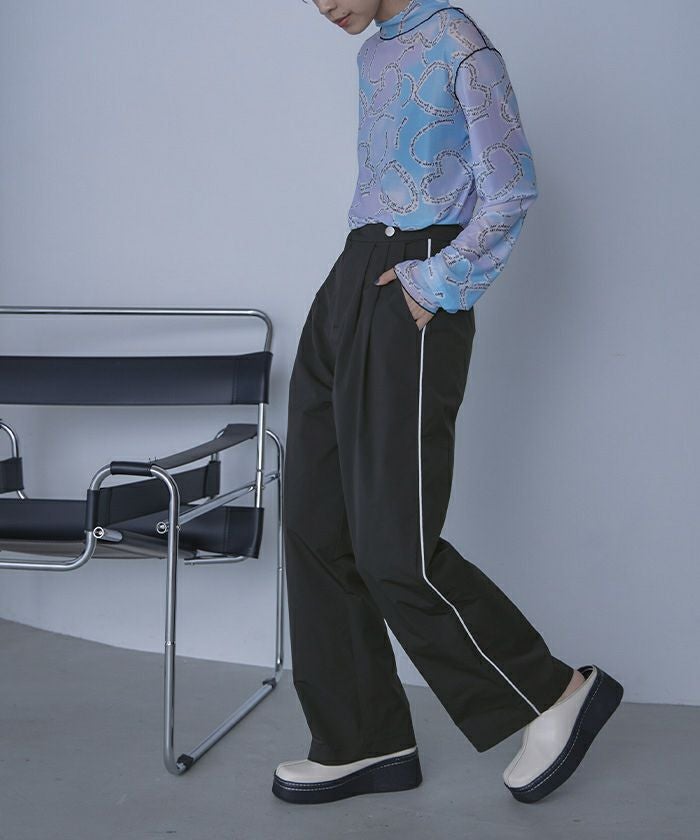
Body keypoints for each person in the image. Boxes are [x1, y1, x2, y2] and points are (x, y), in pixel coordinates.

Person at [273, 0, 623, 806]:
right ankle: (363, 738)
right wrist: (355, 290)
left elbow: (511, 188)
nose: (320, 5)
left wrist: (436, 284)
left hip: (414, 284)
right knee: (315, 525)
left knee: (394, 544)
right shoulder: (374, 54)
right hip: (351, 276)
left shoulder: (460, 42)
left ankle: (554, 694)